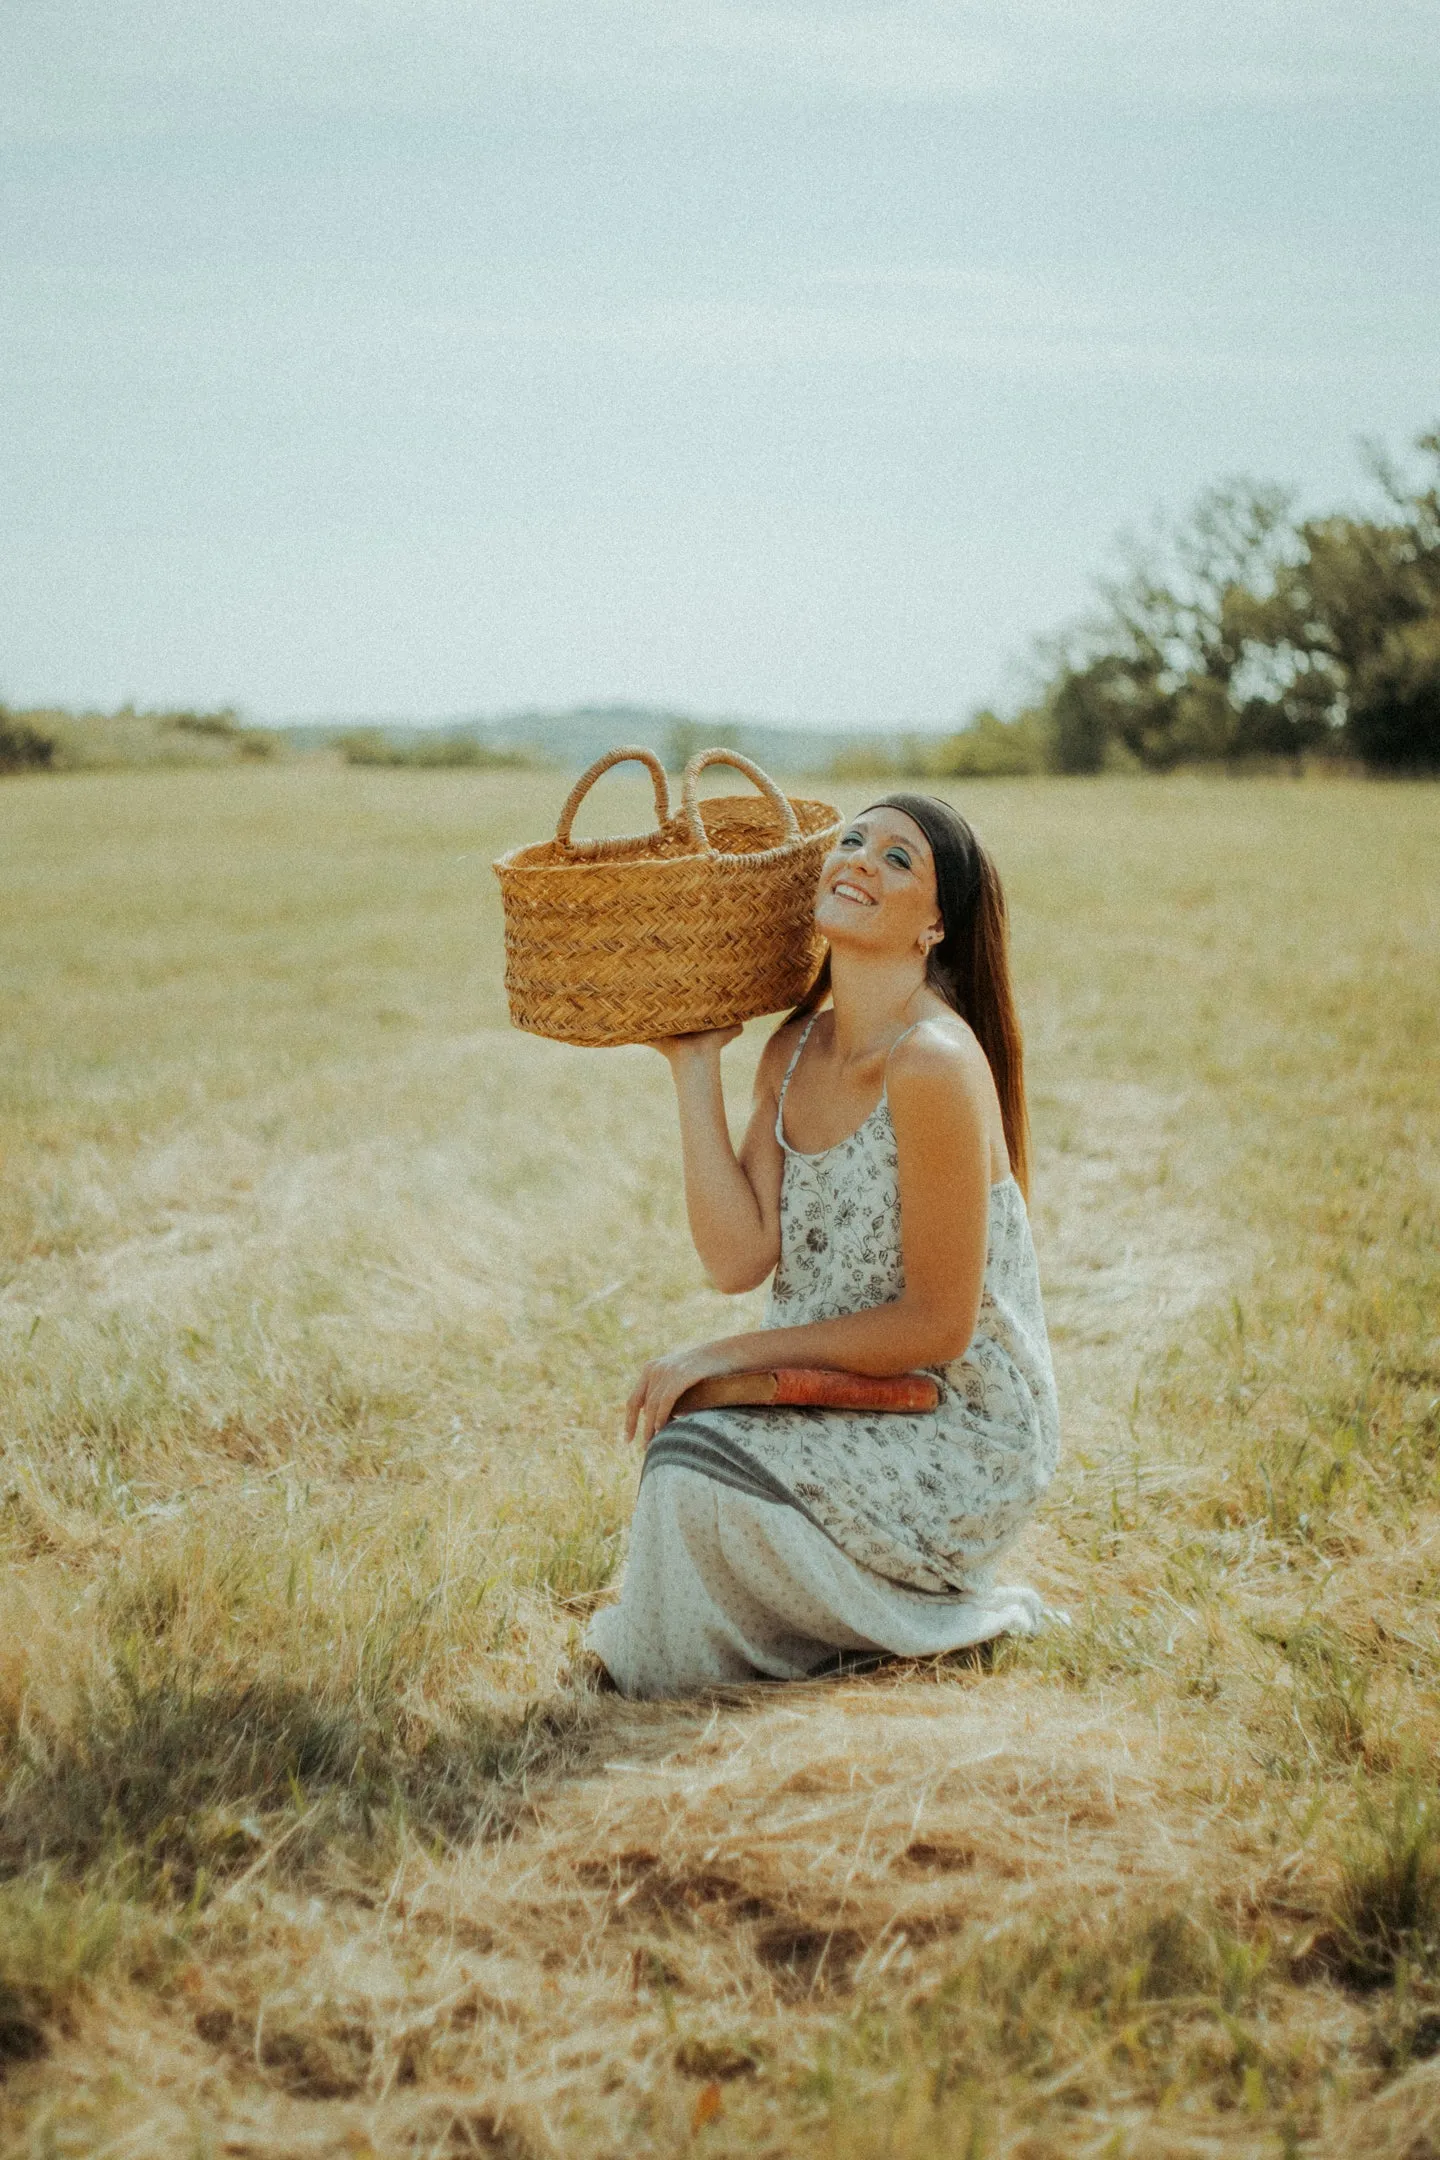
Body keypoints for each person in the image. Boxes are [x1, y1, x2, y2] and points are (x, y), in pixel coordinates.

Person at [585, 793, 1059, 1699]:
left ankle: (910, 1620)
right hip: (849, 1396)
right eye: (852, 840)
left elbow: (937, 1327)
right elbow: (736, 1259)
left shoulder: (933, 1064)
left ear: (935, 926)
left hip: (956, 1429)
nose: (857, 860)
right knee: (686, 1451)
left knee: (694, 1472)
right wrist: (693, 1067)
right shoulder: (795, 1049)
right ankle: (783, 1635)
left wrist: (722, 1352)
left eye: (897, 860)